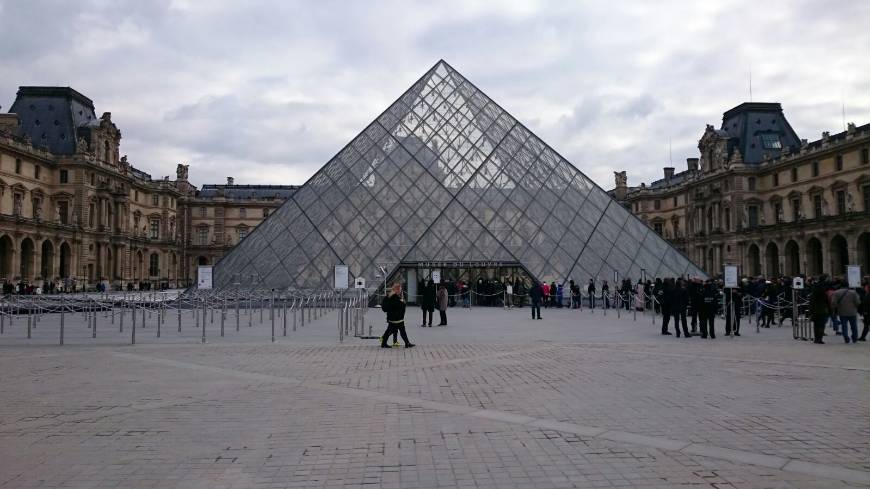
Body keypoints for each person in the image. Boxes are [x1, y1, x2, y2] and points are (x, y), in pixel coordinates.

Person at [380, 283, 414, 349]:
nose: (401, 290)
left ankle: (384, 343)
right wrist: (403, 302)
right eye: (400, 289)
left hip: (392, 318)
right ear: (397, 289)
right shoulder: (394, 297)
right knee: (401, 330)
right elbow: (398, 306)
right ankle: (407, 343)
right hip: (397, 318)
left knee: (391, 330)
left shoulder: (389, 296)